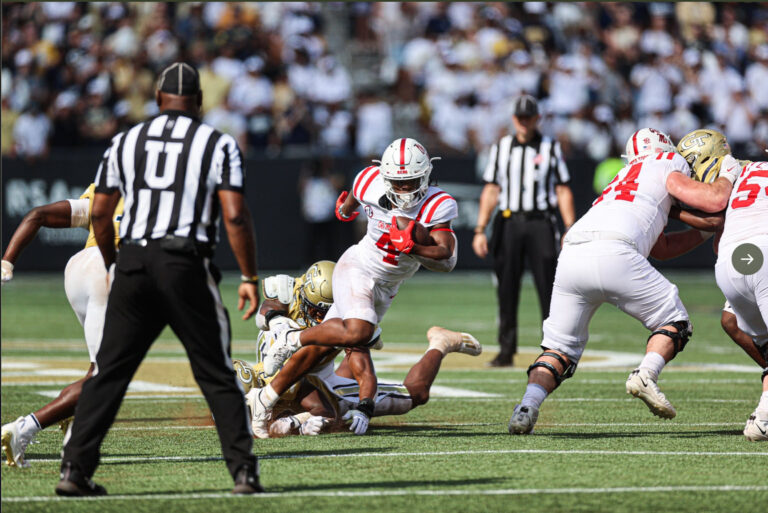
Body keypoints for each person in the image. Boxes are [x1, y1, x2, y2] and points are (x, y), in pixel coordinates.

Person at [56, 62, 263, 496]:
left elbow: (98, 212)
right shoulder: (217, 143)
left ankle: (74, 471)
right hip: (184, 261)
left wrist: (116, 263)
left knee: (108, 371)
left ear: (157, 99)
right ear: (200, 101)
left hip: (133, 259)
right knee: (215, 372)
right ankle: (243, 472)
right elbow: (235, 215)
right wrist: (248, 275)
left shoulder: (124, 141)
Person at [507, 128, 730, 435]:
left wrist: (705, 230)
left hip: (573, 253)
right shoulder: (667, 162)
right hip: (616, 250)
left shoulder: (622, 178)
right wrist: (728, 181)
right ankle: (646, 375)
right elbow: (710, 200)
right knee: (674, 322)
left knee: (559, 350)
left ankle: (527, 406)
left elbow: (662, 248)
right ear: (665, 149)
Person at [260, 138, 460, 432]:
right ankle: (272, 380)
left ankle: (440, 344)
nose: (404, 189)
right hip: (358, 266)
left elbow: (447, 257)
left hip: (387, 286)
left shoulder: (436, 204)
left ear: (426, 175)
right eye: (397, 182)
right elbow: (356, 192)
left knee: (352, 347)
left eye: (411, 182)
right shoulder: (371, 180)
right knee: (355, 333)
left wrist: (413, 247)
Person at [1, 184, 123, 468]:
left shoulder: (104, 188)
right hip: (111, 270)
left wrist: (7, 260)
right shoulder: (165, 187)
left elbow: (37, 215)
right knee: (105, 375)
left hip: (78, 270)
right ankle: (23, 429)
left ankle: (73, 419)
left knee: (97, 368)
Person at [676, 128, 768, 441]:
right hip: (763, 251)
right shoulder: (743, 170)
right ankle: (766, 416)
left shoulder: (728, 179)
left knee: (731, 321)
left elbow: (716, 222)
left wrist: (676, 211)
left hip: (731, 264)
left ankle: (765, 414)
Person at [472, 95, 576, 367]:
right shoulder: (501, 147)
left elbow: (562, 188)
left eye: (528, 117)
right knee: (506, 288)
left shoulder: (550, 146)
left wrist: (569, 227)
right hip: (509, 222)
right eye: (519, 117)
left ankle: (553, 348)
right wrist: (480, 228)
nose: (523, 122)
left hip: (541, 222)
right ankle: (506, 350)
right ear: (513, 118)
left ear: (537, 119)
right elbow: (491, 189)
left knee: (548, 286)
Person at [238, 326, 482, 437]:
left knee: (417, 393)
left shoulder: (278, 384)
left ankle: (441, 342)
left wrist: (294, 422)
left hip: (337, 397)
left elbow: (326, 409)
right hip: (327, 375)